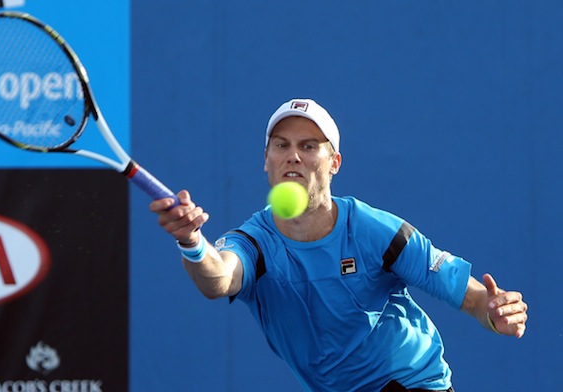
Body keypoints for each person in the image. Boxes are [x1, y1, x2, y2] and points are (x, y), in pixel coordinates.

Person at [150, 98, 529, 392]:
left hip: (410, 383)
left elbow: (473, 297)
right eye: (280, 145)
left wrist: (494, 312)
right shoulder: (254, 242)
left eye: (309, 145)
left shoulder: (375, 231)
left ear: (334, 162)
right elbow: (219, 278)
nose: (293, 155)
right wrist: (191, 240)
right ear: (266, 161)